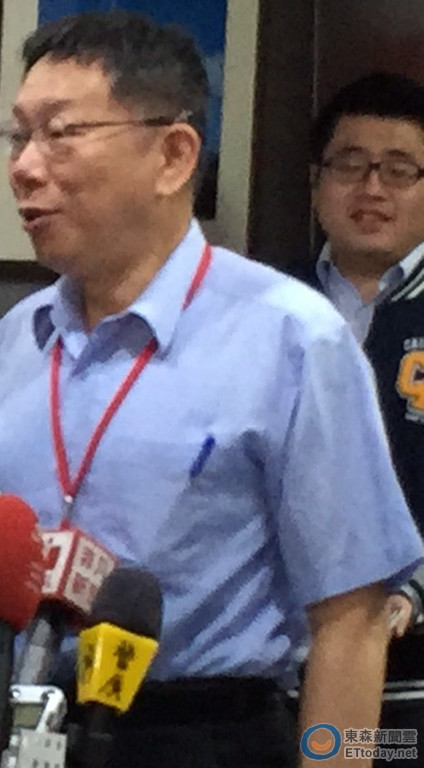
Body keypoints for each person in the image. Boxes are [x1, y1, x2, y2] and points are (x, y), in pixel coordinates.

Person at [0, 11, 424, 768]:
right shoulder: (16, 338)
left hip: (200, 732)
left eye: (61, 134)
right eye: (19, 136)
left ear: (173, 157)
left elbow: (354, 622)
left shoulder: (292, 337)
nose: (25, 167)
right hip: (6, 722)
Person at [301, 71, 424, 764]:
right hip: (274, 676)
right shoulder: (262, 310)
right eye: (350, 165)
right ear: (316, 181)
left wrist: (411, 593)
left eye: (399, 170)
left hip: (413, 688)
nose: (372, 188)